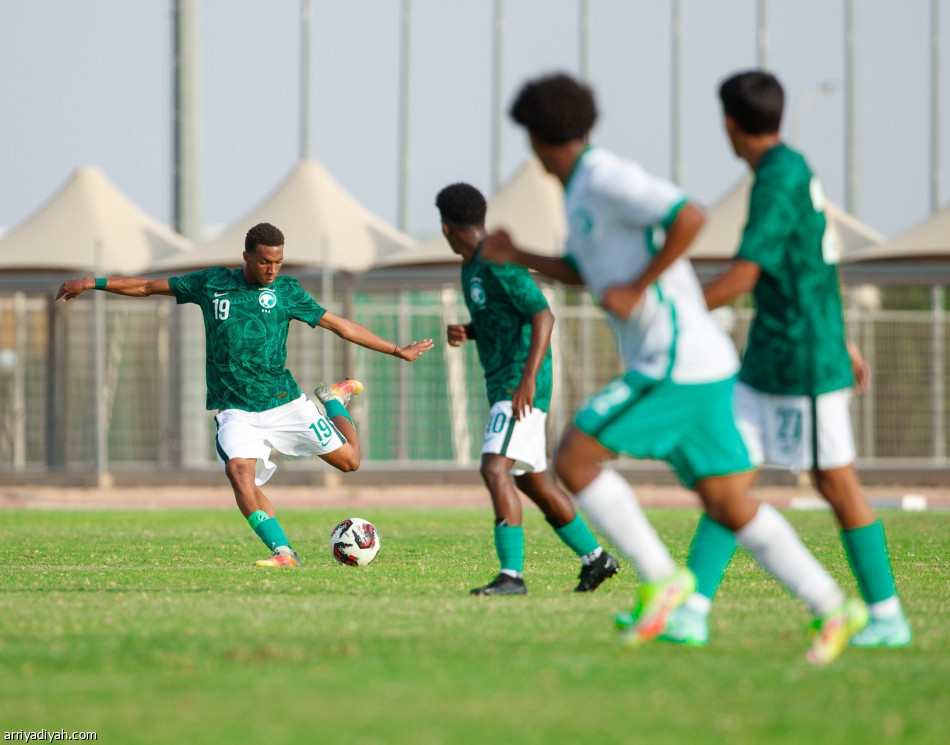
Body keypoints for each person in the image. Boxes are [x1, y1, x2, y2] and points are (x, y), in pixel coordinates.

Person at [482, 72, 867, 664]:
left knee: (575, 457)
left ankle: (661, 581)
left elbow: (689, 216)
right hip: (700, 363)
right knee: (727, 502)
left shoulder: (605, 177)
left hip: (676, 359)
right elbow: (589, 272)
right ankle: (832, 605)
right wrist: (520, 256)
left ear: (537, 138)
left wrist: (639, 287)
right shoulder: (579, 194)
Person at [660, 70, 911, 648]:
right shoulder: (792, 167)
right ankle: (692, 610)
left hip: (802, 360)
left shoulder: (776, 179)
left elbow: (747, 273)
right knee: (728, 477)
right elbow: (816, 263)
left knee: (835, 482)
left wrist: (674, 310)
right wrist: (843, 333)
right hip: (772, 355)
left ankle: (887, 615)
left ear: (728, 123)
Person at [54, 222, 434, 568]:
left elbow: (340, 325)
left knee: (350, 462)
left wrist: (397, 349)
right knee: (239, 472)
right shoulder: (213, 282)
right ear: (247, 257)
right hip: (236, 410)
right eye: (266, 262)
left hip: (285, 403)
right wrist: (93, 282)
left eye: (279, 262)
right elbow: (149, 286)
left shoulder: (286, 291)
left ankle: (333, 399)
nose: (273, 270)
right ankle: (283, 552)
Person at [436, 182, 619, 595]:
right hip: (505, 381)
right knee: (531, 480)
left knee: (494, 467)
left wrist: (528, 379)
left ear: (446, 227)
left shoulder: (497, 262)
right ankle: (596, 558)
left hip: (518, 385)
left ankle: (511, 577)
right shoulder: (471, 267)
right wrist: (470, 330)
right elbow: (505, 319)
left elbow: (542, 315)